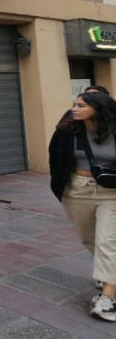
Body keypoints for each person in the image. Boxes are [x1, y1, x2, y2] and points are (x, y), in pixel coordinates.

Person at [49, 91, 116, 322]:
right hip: (77, 191)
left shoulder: (113, 128)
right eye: (74, 104)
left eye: (81, 105)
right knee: (90, 240)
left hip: (111, 192)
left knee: (107, 241)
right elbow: (54, 155)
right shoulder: (68, 127)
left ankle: (108, 298)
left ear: (98, 108)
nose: (75, 108)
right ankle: (110, 275)